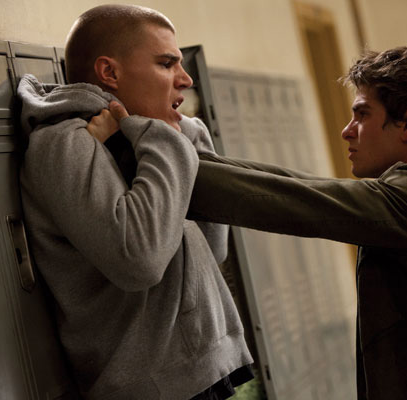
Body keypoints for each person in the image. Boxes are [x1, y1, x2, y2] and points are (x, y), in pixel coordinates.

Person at [95, 44, 407, 398]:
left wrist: (132, 147)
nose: (347, 130)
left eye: (362, 114)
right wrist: (184, 150)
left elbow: (292, 201)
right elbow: (299, 185)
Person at [16, 4, 253, 400]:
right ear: (109, 73)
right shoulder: (65, 144)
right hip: (148, 385)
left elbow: (212, 250)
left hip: (198, 369)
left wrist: (189, 139)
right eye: (166, 64)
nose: (185, 79)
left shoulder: (138, 137)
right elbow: (140, 260)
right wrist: (168, 141)